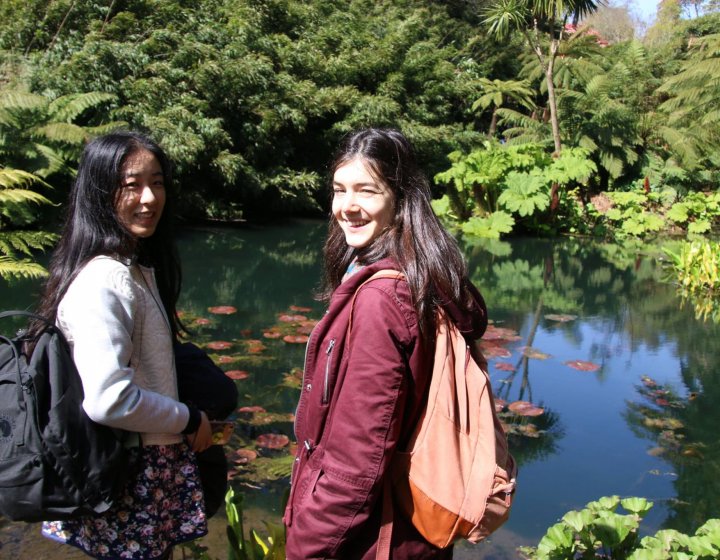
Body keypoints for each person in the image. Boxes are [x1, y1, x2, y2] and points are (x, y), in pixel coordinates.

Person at [283, 128, 488, 559]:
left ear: (401, 197)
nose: (347, 207)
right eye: (339, 190)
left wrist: (306, 547)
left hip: (375, 540)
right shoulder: (426, 274)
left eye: (366, 191)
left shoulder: (380, 299)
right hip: (415, 534)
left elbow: (355, 463)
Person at [33, 131, 212, 559]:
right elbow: (109, 400)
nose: (149, 198)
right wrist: (188, 419)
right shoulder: (104, 281)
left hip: (139, 466)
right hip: (130, 473)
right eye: (131, 185)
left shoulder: (130, 269)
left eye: (158, 182)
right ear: (99, 193)